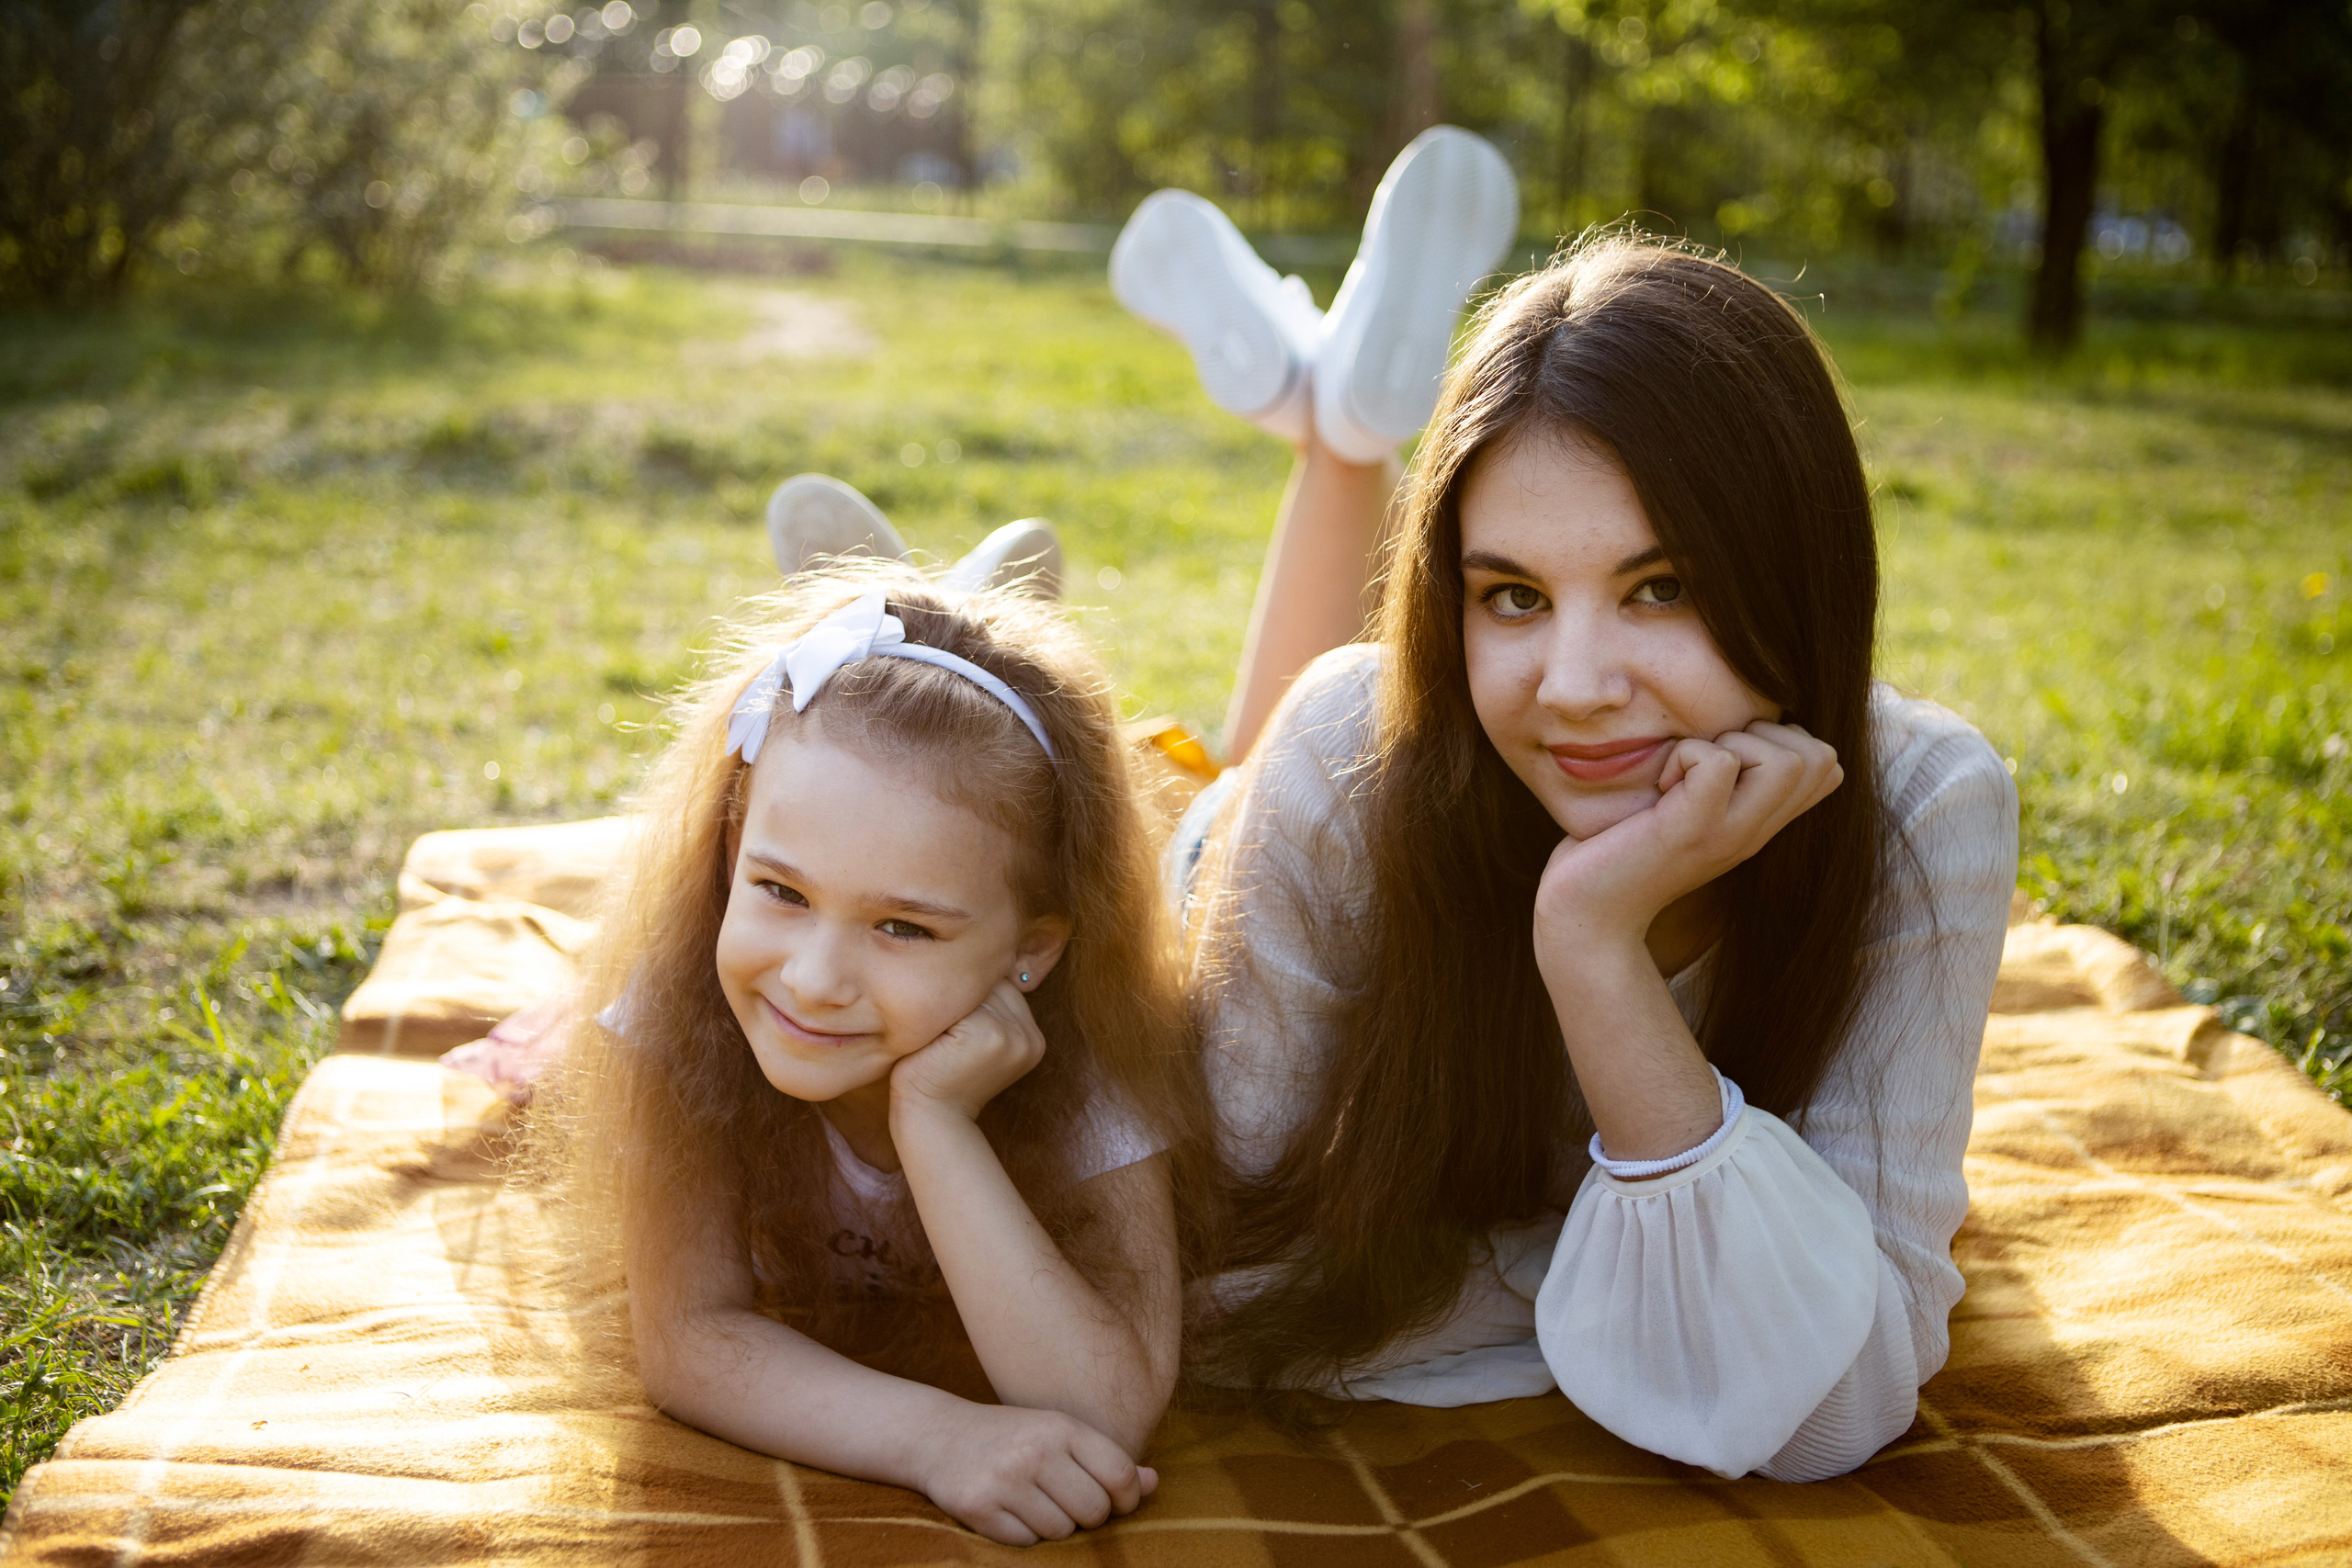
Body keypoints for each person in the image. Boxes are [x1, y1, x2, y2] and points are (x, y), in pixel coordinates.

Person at [1113, 137, 2019, 1481]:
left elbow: (1837, 1408)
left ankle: (1335, 414)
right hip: (1222, 855)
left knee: (1314, 712)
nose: (1580, 689)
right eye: (1513, 595)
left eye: (1661, 586)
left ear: (1801, 575)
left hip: (1352, 752)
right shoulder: (1353, 759)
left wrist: (1593, 943)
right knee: (1234, 752)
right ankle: (1339, 427)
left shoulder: (1924, 802)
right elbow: (1225, 1258)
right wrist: (1657, 1280)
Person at [527, 567, 1204, 1545]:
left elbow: (1103, 1411)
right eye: (781, 891)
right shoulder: (680, 1019)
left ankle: (984, 584)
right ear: (729, 853)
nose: (811, 981)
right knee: (544, 1049)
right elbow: (687, 1339)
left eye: (901, 927)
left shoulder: (1095, 1069)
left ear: (1030, 953)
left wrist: (935, 1122)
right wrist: (936, 1438)